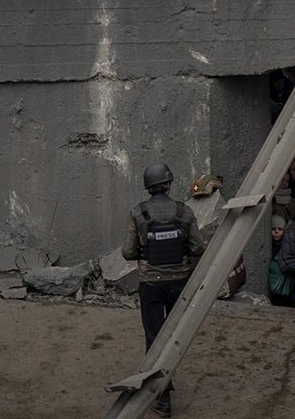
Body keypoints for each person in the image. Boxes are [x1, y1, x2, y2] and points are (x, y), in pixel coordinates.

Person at [121, 162, 205, 418]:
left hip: (151, 284)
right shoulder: (185, 211)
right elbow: (197, 248)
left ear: (148, 187)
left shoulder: (138, 213)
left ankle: (162, 396)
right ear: (168, 184)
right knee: (175, 337)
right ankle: (166, 382)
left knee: (155, 338)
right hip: (179, 282)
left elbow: (128, 252)